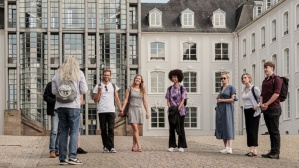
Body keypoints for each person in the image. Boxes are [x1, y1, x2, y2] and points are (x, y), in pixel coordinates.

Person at [52, 56, 88, 165]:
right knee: (74, 131)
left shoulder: (58, 74)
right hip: (74, 105)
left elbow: (54, 91)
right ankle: (72, 157)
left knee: (62, 131)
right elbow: (84, 90)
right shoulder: (79, 73)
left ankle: (62, 158)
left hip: (61, 106)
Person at [93, 69, 122, 153]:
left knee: (111, 129)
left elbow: (117, 98)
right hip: (102, 110)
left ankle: (111, 146)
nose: (106, 76)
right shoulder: (98, 85)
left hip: (111, 110)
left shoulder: (113, 86)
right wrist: (99, 92)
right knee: (103, 129)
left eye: (108, 75)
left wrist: (121, 108)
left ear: (110, 76)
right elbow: (95, 100)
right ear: (102, 75)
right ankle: (105, 146)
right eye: (105, 75)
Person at [120, 74, 150, 152]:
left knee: (136, 130)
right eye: (136, 78)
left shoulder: (143, 90)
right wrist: (122, 109)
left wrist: (147, 111)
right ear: (134, 80)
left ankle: (133, 146)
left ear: (141, 81)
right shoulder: (129, 89)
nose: (138, 80)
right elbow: (126, 100)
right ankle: (139, 146)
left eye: (139, 79)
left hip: (139, 110)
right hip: (132, 110)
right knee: (135, 129)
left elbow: (144, 101)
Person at [260, 61, 282, 159]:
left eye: (266, 67)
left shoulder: (277, 79)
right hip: (266, 109)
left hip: (274, 108)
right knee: (270, 131)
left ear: (272, 68)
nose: (265, 69)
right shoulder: (265, 81)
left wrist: (267, 104)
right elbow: (262, 94)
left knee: (275, 131)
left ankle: (276, 152)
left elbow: (276, 94)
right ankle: (272, 151)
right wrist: (261, 104)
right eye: (264, 68)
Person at [165, 69, 188, 152]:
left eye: (175, 77)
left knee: (180, 128)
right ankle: (172, 145)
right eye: (172, 77)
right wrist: (170, 107)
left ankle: (181, 146)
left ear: (179, 78)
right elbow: (168, 99)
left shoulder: (183, 88)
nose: (174, 78)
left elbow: (183, 99)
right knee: (171, 128)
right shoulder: (169, 89)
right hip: (172, 111)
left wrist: (179, 108)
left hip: (180, 111)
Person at [215, 72, 237, 154]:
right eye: (221, 78)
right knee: (222, 126)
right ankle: (226, 147)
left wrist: (221, 100)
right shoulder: (221, 88)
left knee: (228, 125)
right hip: (220, 109)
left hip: (228, 108)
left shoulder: (231, 87)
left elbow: (233, 99)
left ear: (228, 78)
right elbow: (219, 97)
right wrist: (218, 97)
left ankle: (230, 147)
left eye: (224, 78)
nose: (222, 80)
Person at [241, 73, 261, 157]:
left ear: (249, 78)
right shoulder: (244, 89)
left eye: (245, 78)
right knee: (248, 130)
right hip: (246, 110)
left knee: (253, 130)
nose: (243, 79)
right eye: (242, 78)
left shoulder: (254, 88)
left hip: (254, 111)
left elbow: (261, 98)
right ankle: (250, 149)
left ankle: (255, 150)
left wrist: (258, 105)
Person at [44, 81, 59, 158]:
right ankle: (52, 150)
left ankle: (57, 149)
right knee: (54, 131)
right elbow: (45, 96)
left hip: (63, 110)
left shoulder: (65, 84)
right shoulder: (51, 84)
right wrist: (55, 101)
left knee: (60, 131)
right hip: (54, 110)